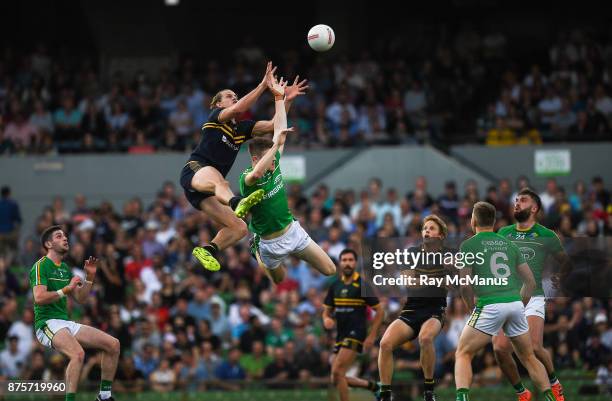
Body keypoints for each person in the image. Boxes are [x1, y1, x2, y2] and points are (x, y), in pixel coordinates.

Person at [180, 61, 308, 271]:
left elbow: (274, 125)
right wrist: (263, 85)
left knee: (239, 228)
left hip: (207, 190)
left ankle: (208, 250)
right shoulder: (216, 118)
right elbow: (240, 107)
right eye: (229, 96)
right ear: (218, 104)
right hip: (196, 170)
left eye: (235, 96)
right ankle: (236, 202)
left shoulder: (241, 129)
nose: (235, 99)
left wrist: (287, 100)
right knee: (220, 181)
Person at [454, 202, 555, 401]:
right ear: (493, 222)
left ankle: (462, 398)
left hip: (490, 305)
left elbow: (465, 285)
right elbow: (530, 281)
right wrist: (521, 303)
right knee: (528, 357)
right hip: (515, 304)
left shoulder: (468, 245)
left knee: (463, 353)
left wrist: (470, 307)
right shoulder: (509, 244)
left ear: (473, 220)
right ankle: (550, 398)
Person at [240, 77, 335, 283]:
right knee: (279, 280)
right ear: (256, 160)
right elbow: (256, 174)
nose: (274, 163)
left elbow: (279, 131)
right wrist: (276, 145)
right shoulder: (247, 178)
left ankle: (291, 249)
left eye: (274, 159)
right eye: (269, 160)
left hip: (293, 232)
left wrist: (282, 98)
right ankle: (255, 247)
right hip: (269, 243)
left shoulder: (273, 162)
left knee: (330, 270)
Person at [494, 188, 570, 401]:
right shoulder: (503, 233)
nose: (517, 203)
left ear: (534, 208)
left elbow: (566, 262)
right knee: (500, 348)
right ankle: (522, 392)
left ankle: (554, 382)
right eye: (516, 200)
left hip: (533, 296)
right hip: (508, 297)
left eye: (523, 200)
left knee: (535, 347)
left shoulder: (547, 235)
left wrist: (559, 277)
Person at [30, 225, 120, 401]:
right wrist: (65, 289)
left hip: (64, 323)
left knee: (113, 345)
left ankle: (104, 396)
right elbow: (39, 297)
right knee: (78, 354)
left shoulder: (65, 267)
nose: (65, 238)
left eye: (64, 236)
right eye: (58, 236)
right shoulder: (40, 266)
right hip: (46, 323)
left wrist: (90, 277)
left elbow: (81, 298)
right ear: (48, 244)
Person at [378, 215, 452, 401]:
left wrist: (425, 278)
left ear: (441, 235)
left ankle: (428, 391)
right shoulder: (411, 252)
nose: (427, 231)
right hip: (411, 310)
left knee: (425, 338)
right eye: (425, 228)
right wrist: (436, 278)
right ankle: (385, 394)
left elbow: (451, 284)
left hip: (435, 310)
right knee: (385, 344)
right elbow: (410, 283)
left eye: (432, 228)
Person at [322, 249, 383, 401]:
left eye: (350, 260)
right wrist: (326, 319)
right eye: (344, 260)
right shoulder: (335, 285)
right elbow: (326, 311)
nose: (347, 263)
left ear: (355, 263)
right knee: (335, 378)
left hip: (356, 333)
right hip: (340, 335)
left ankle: (374, 388)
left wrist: (372, 335)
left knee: (338, 372)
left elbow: (380, 311)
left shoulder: (362, 284)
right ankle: (374, 387)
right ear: (340, 263)